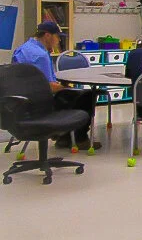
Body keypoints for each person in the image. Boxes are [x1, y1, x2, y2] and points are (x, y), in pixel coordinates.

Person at [12, 21, 101, 151]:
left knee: (72, 94)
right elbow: (49, 87)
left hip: (22, 103)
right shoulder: (41, 55)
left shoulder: (22, 49)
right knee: (87, 96)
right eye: (57, 36)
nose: (58, 40)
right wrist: (65, 87)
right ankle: (80, 139)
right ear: (47, 35)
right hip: (41, 104)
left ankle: (64, 138)